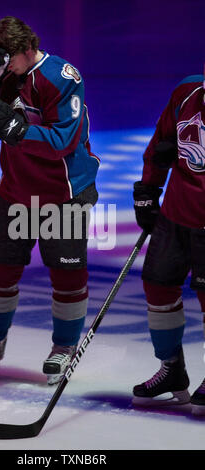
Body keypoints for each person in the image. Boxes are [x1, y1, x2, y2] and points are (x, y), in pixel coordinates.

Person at [0, 16, 99, 385]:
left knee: (67, 275)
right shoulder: (2, 75)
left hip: (62, 194)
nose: (4, 64)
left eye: (7, 57)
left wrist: (17, 128)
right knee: (0, 271)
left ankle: (64, 347)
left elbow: (63, 141)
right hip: (16, 192)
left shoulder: (62, 77)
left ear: (26, 48)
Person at [132, 72, 205, 414]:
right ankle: (172, 370)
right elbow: (159, 144)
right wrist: (147, 191)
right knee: (158, 288)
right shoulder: (187, 92)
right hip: (176, 214)